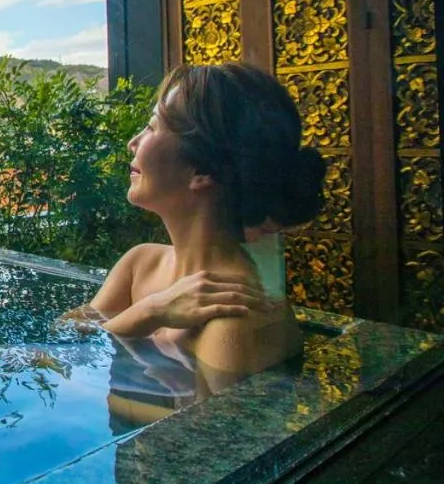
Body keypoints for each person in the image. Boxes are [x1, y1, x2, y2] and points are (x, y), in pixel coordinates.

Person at [69, 62, 326, 405]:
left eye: (151, 127)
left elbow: (211, 445)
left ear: (202, 171)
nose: (133, 142)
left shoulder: (231, 316)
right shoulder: (141, 263)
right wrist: (150, 311)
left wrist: (113, 400)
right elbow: (68, 338)